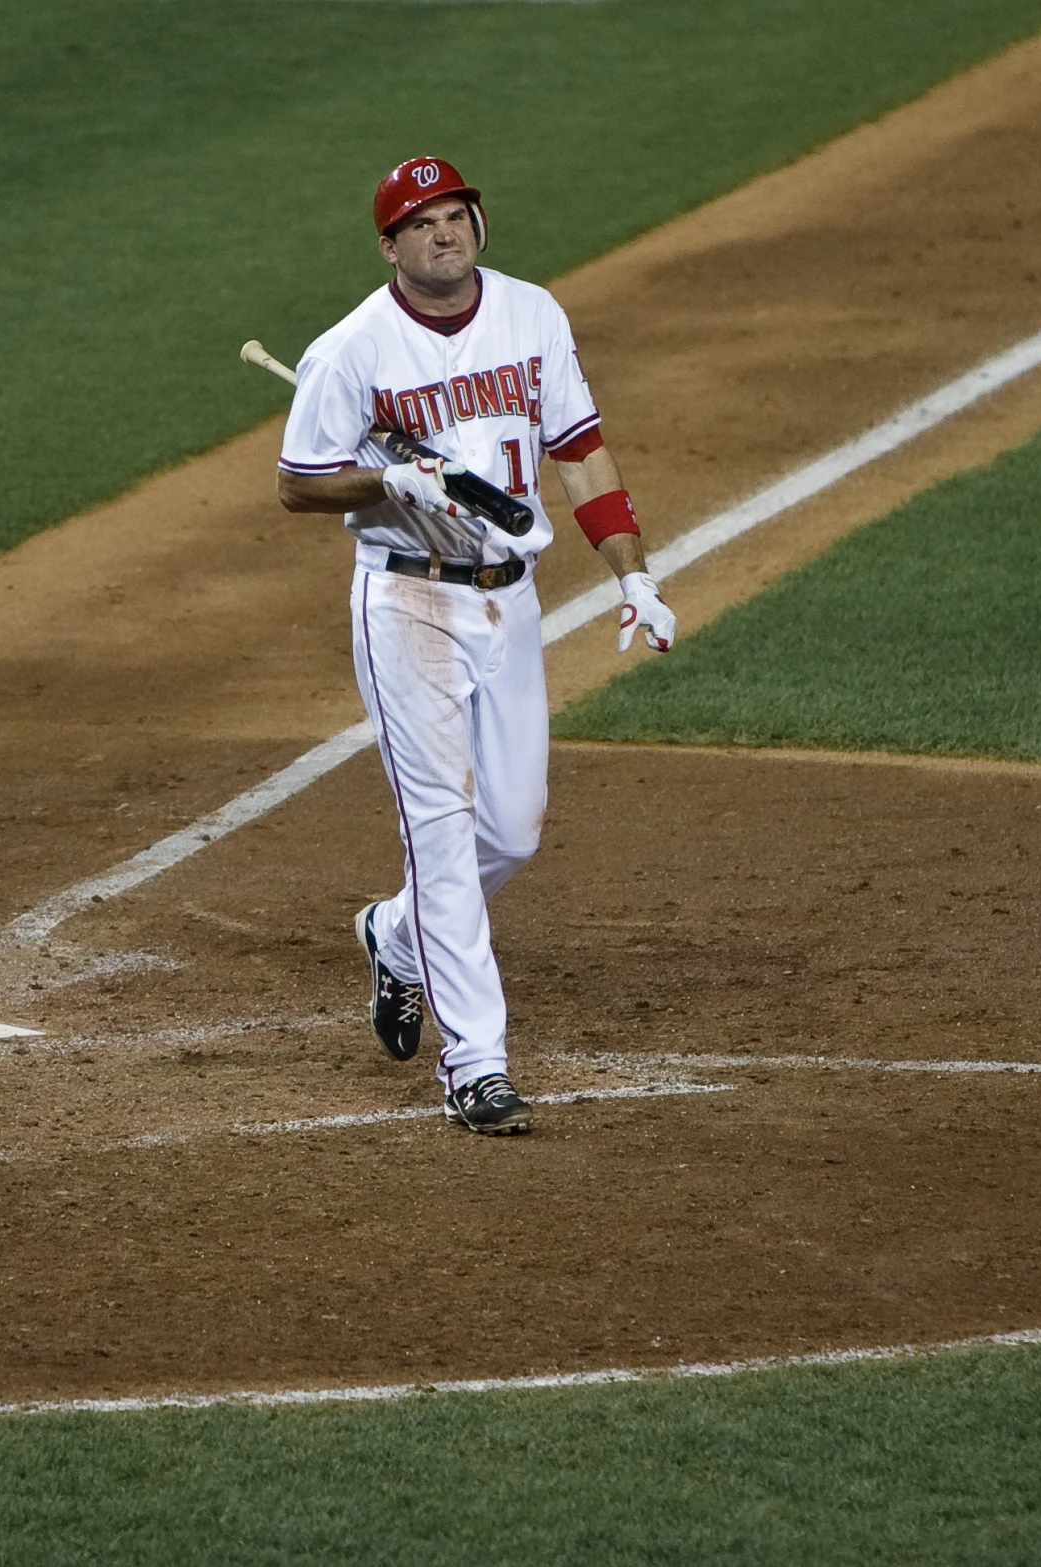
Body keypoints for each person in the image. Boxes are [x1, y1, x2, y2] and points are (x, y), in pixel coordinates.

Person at [276, 158, 677, 1136]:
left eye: (455, 216)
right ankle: (475, 1067)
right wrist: (388, 487)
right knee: (446, 833)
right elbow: (297, 481)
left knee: (511, 829)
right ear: (389, 247)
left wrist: (632, 572)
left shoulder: (533, 316)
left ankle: (396, 936)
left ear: (479, 227)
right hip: (406, 607)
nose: (442, 234)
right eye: (419, 224)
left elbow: (579, 451)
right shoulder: (351, 352)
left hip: (510, 606)